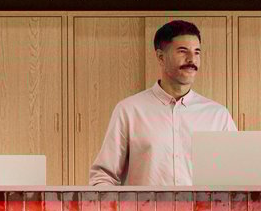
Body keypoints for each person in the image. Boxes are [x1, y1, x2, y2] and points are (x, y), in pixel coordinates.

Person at [89, 20, 236, 186]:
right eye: (183, 51)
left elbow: (235, 178)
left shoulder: (218, 116)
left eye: (197, 52)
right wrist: (119, 210)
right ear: (160, 57)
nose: (191, 59)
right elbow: (103, 177)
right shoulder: (129, 111)